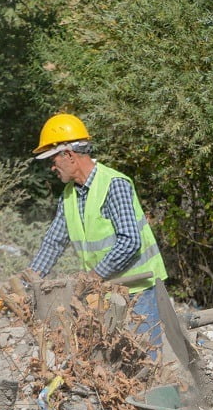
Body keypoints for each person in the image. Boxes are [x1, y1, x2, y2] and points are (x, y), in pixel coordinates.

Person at [27, 113, 168, 355]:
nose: (51, 167)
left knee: (146, 361)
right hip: (106, 292)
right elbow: (53, 243)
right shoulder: (70, 195)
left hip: (138, 290)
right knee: (115, 364)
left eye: (52, 160)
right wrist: (26, 282)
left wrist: (92, 277)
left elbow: (130, 242)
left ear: (69, 155)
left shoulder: (114, 184)